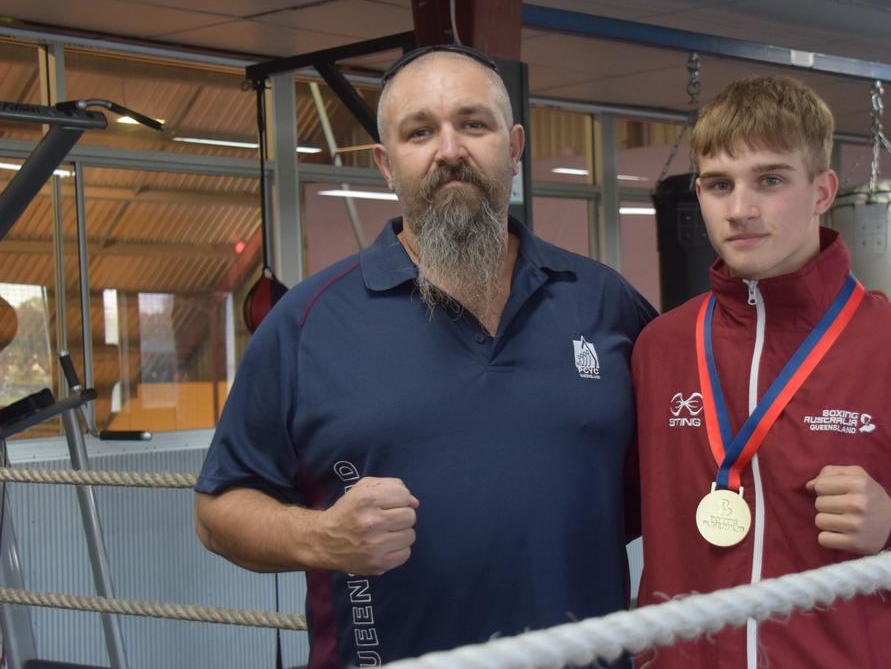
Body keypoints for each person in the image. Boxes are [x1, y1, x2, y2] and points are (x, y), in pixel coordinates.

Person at [193, 45, 655, 668]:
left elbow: (691, 466)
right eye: (420, 131)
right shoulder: (306, 323)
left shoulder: (606, 303)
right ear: (386, 164)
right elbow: (218, 511)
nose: (450, 150)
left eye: (473, 123)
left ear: (514, 146)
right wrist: (323, 536)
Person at [631, 75, 891, 668]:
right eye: (721, 184)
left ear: (822, 190)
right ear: (698, 194)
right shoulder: (660, 348)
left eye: (770, 180)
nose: (741, 209)